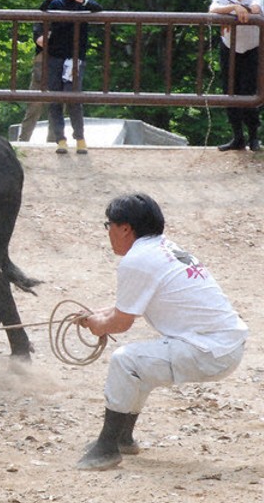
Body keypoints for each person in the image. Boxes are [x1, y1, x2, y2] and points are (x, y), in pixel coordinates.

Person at [76, 193, 248, 471]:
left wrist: (98, 325)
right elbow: (126, 308)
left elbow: (121, 322)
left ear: (125, 228)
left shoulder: (137, 260)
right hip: (222, 345)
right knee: (140, 368)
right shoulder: (162, 248)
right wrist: (98, 316)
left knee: (126, 361)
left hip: (210, 351)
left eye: (109, 225)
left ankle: (106, 448)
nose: (108, 232)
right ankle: (122, 438)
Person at [39, 0, 102, 154]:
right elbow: (40, 13)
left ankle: (80, 138)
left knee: (73, 98)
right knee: (55, 98)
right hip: (54, 56)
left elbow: (99, 9)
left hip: (75, 58)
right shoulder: (55, 4)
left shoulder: (84, 4)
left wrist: (82, 0)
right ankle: (60, 139)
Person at [209, 0, 263, 151]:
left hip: (254, 47)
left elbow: (256, 8)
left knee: (249, 92)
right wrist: (235, 7)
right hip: (229, 46)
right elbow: (212, 9)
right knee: (229, 91)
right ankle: (237, 136)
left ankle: (254, 136)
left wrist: (235, 10)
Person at [18, 0, 61, 143]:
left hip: (62, 61)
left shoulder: (75, 9)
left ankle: (54, 141)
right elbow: (41, 40)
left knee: (57, 103)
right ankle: (23, 141)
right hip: (44, 61)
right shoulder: (44, 13)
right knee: (34, 104)